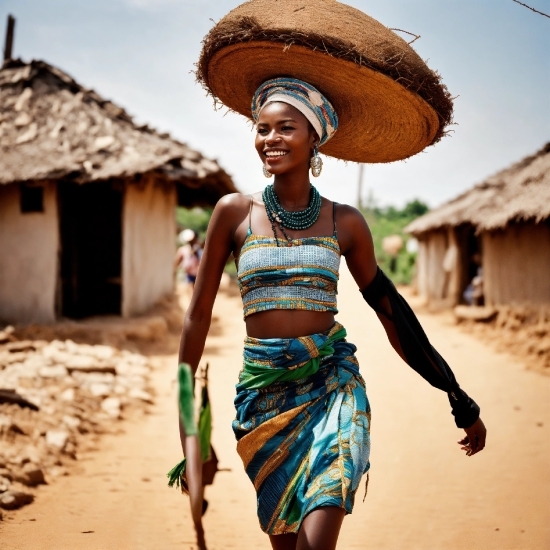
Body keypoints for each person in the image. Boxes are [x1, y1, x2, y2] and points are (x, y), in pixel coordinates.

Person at [176, 4, 486, 550]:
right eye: (262, 128)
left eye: (285, 127)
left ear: (314, 137)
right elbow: (197, 317)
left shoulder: (346, 223)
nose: (270, 138)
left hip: (332, 389)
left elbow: (393, 313)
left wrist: (454, 391)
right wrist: (188, 424)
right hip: (264, 399)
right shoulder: (233, 213)